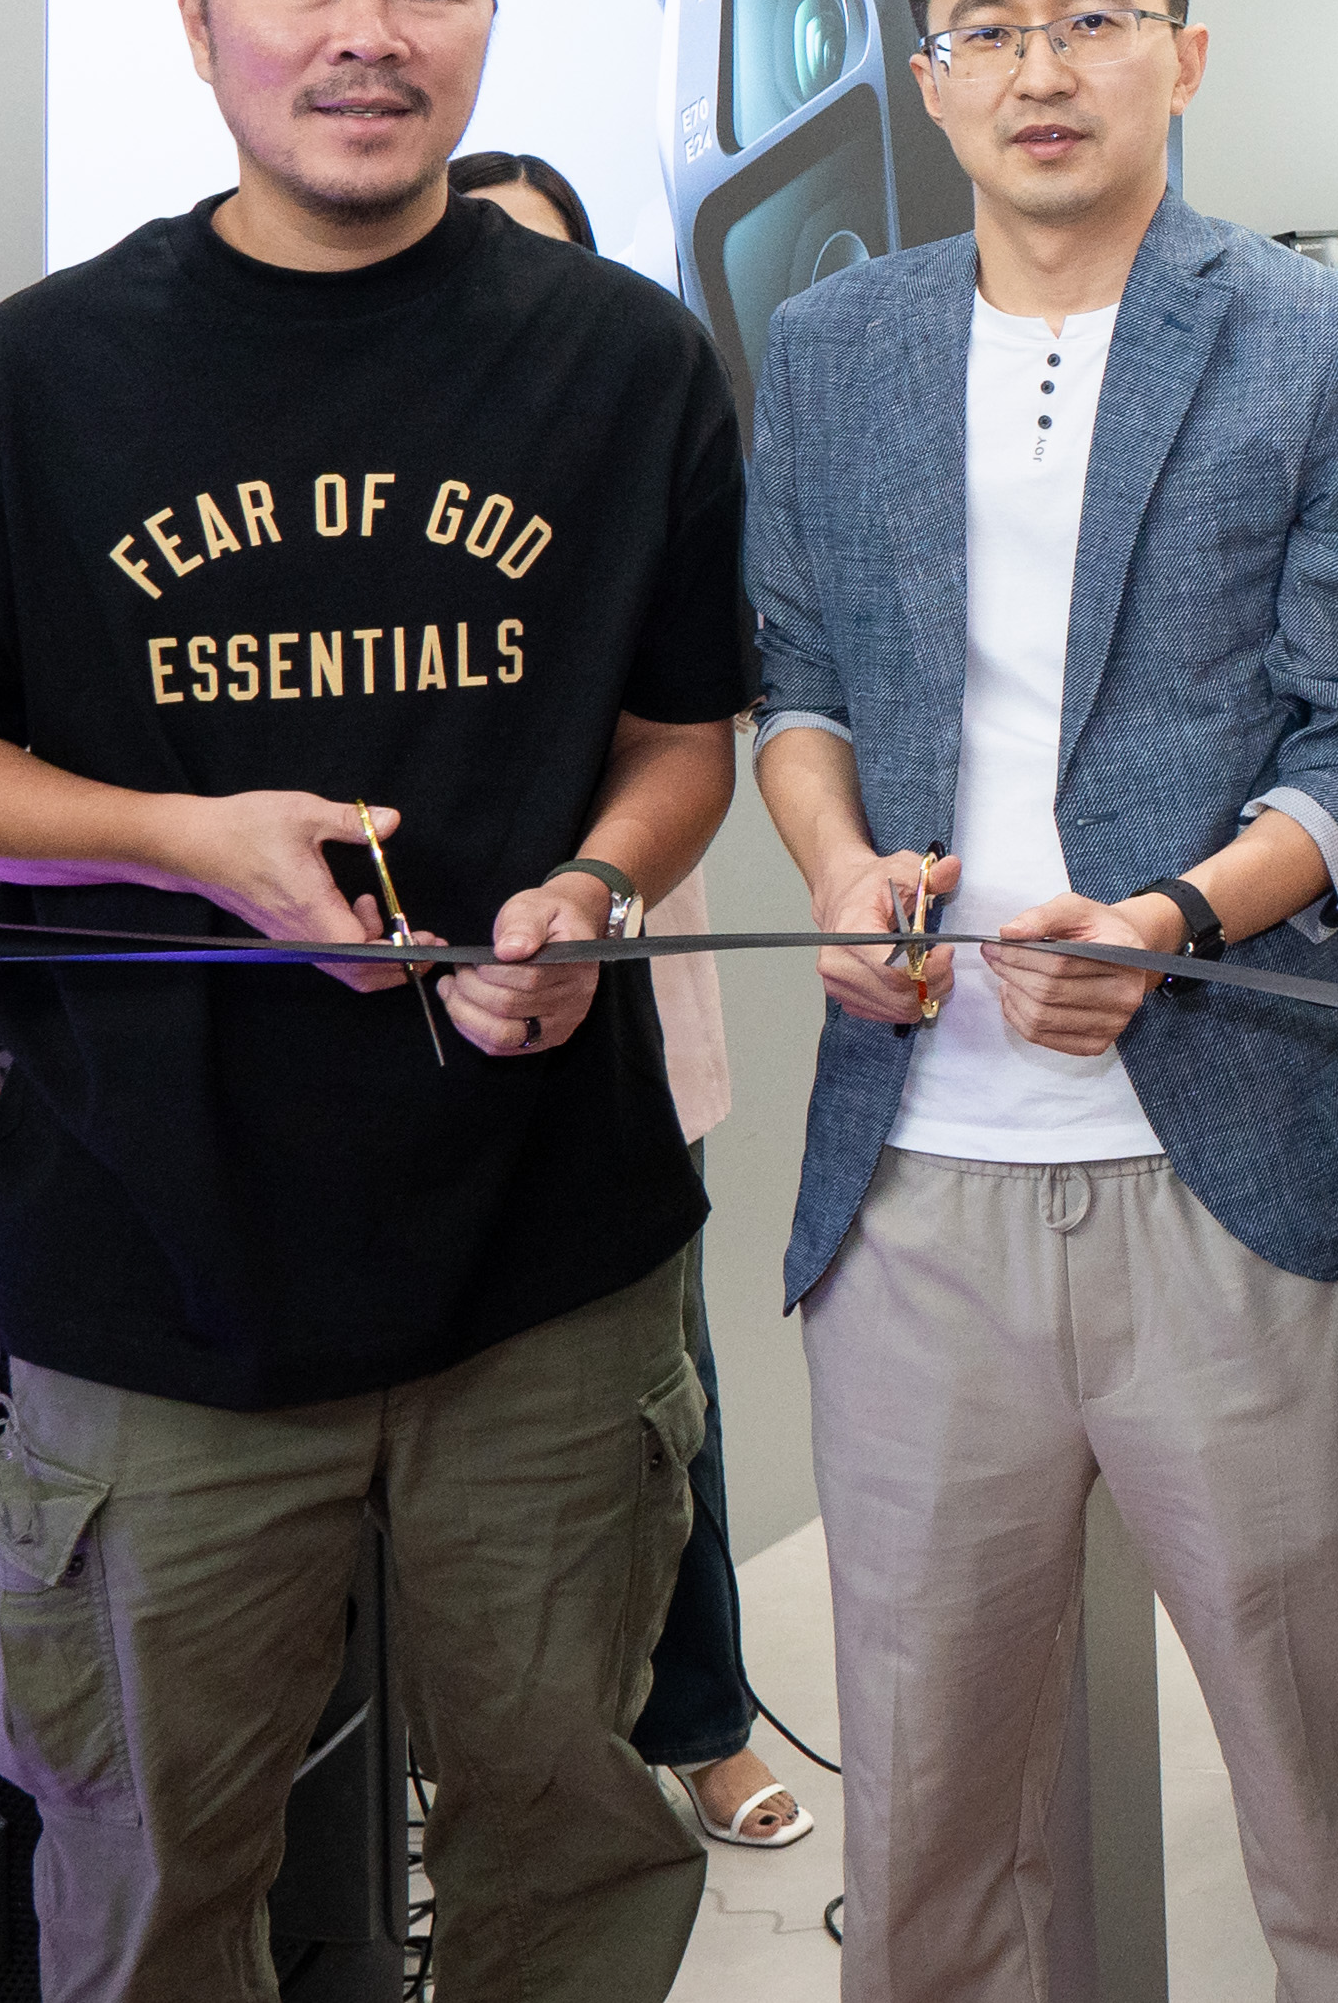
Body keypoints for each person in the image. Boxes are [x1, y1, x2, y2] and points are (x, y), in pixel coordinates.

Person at [0, 0, 747, 2001]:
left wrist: (596, 890)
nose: (368, 33)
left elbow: (681, 732)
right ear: (199, 19)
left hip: (548, 1254)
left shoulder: (624, 359)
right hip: (157, 1262)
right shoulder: (41, 373)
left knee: (569, 1835)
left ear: (488, 18)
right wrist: (186, 836)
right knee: (150, 1874)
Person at [742, 0, 1338, 2002]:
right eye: (986, 30)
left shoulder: (1323, 342)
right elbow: (795, 682)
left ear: (1184, 53)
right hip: (915, 1185)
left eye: (1091, 20)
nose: (1040, 70)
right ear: (926, 76)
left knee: (1321, 1787)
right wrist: (835, 867)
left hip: (1228, 1165)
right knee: (933, 1809)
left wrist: (1175, 917)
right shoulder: (835, 344)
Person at [449, 145, 808, 1861]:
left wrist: (589, 886)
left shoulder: (642, 449)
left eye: (544, 264)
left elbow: (696, 727)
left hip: (613, 989)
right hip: (404, 1014)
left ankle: (706, 1726)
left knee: (664, 1390)